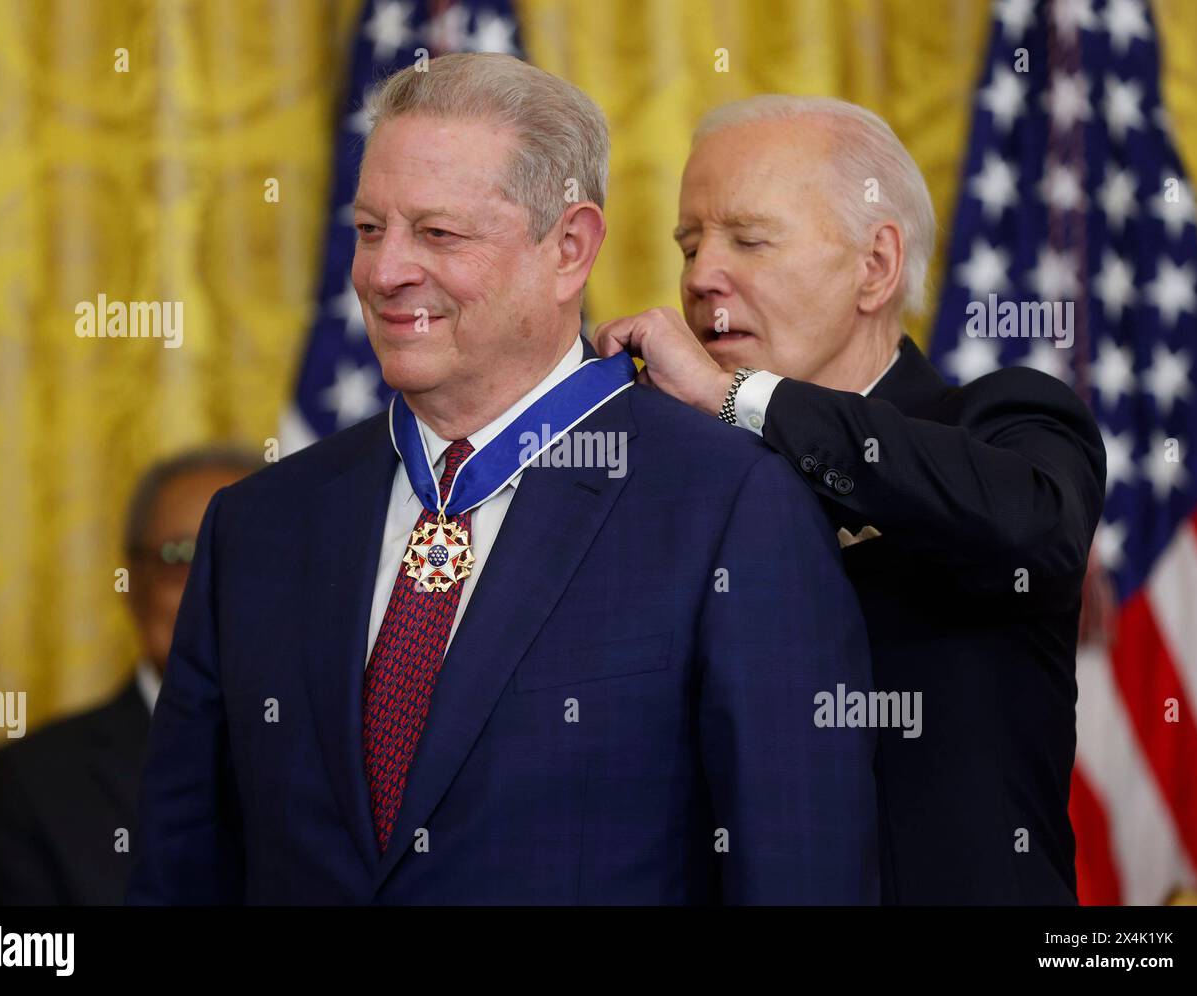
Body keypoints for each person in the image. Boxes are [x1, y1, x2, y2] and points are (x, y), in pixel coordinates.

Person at [127, 55, 878, 905]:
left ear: (569, 248)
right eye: (371, 229)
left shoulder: (730, 508)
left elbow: (800, 878)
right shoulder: (257, 525)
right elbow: (180, 877)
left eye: (438, 234)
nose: (383, 272)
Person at [594, 95, 1106, 904]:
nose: (700, 276)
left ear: (875, 266)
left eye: (748, 240)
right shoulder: (673, 472)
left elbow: (1034, 527)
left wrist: (744, 398)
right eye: (689, 245)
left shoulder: (999, 421)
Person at [0, 446, 258, 904]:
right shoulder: (27, 788)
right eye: (181, 556)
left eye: (247, 555)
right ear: (133, 585)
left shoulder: (358, 762)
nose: (211, 587)